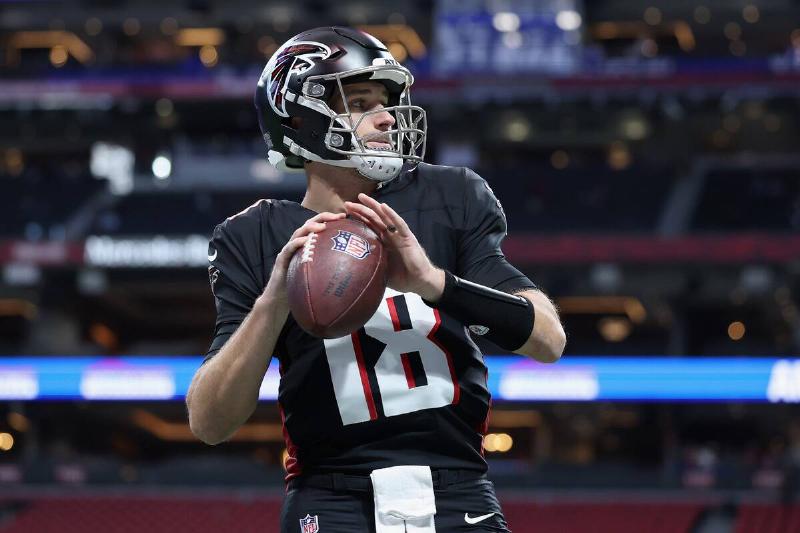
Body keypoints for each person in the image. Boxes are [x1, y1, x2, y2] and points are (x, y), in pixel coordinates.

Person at [187, 26, 566, 533]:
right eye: (360, 101)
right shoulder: (254, 234)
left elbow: (548, 339)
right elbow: (209, 423)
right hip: (331, 495)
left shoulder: (450, 195)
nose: (387, 116)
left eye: (387, 101)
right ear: (299, 116)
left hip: (458, 490)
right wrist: (274, 300)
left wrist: (434, 282)